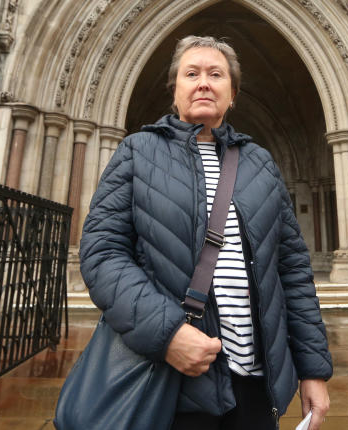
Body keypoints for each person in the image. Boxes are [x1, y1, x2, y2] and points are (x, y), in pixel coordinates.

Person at [80, 35, 332, 430]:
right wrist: (168, 335)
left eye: (216, 74)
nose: (203, 82)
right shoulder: (137, 151)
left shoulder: (259, 163)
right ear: (175, 89)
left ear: (232, 94)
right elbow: (102, 254)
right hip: (173, 381)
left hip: (255, 382)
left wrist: (313, 371)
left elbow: (293, 273)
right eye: (191, 73)